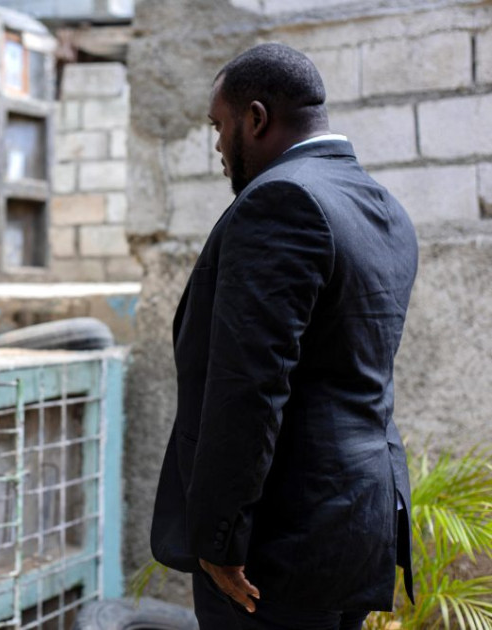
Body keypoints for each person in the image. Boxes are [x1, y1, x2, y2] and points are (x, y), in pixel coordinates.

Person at [149, 43, 418, 630]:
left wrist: (221, 538)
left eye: (218, 126)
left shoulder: (282, 199)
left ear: (256, 118)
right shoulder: (383, 205)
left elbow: (250, 386)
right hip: (359, 521)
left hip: (279, 540)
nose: (217, 146)